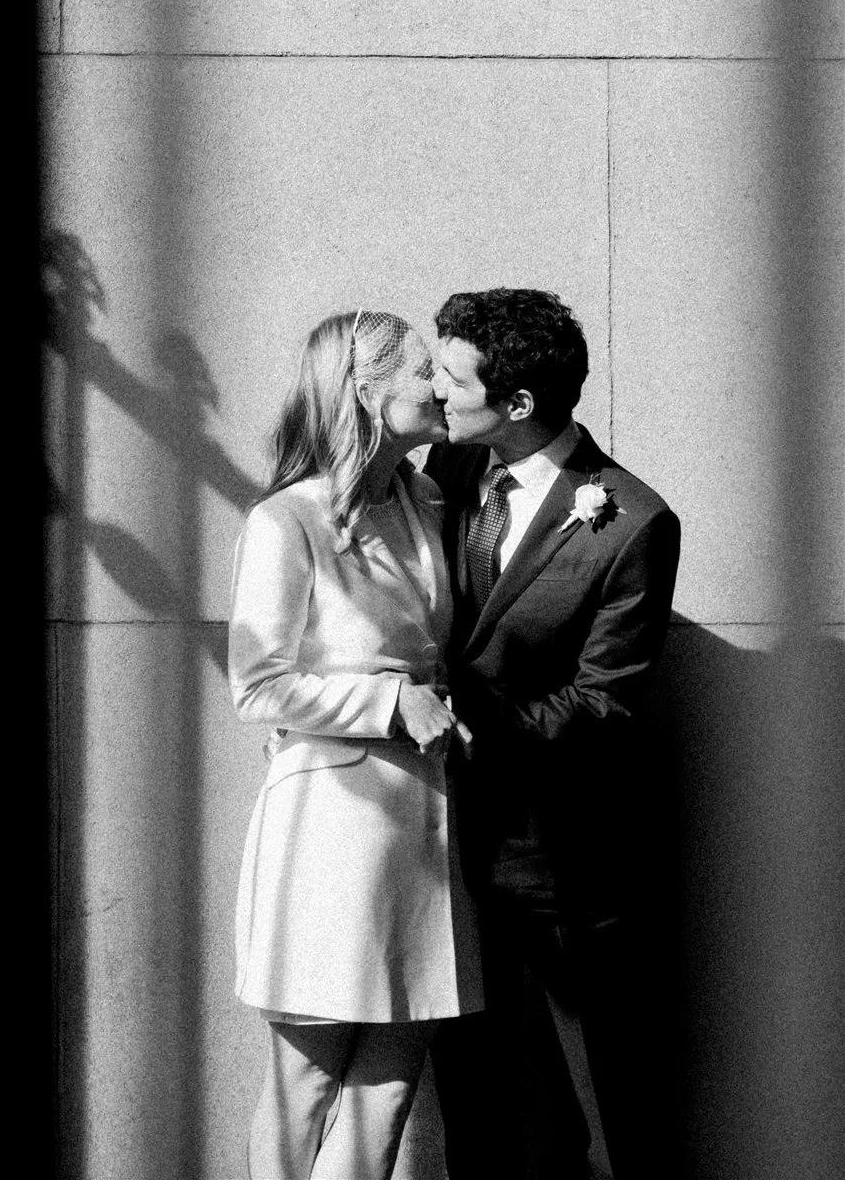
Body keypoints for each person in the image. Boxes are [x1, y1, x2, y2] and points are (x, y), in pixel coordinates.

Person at [425, 289, 680, 1180]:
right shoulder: (442, 476)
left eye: (451, 377)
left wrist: (463, 720)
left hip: (557, 865)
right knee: (475, 1104)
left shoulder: (632, 520)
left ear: (518, 405)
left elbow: (602, 703)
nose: (433, 389)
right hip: (435, 851)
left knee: (600, 1105)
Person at [230, 310, 484, 1180]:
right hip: (330, 825)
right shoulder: (286, 522)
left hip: (427, 820)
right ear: (368, 393)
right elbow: (257, 684)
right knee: (304, 1079)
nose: (440, 388)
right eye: (423, 373)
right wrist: (387, 700)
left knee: (390, 1090)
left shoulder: (428, 501)